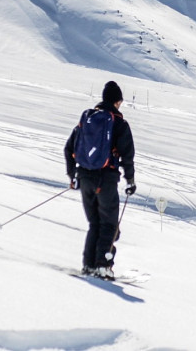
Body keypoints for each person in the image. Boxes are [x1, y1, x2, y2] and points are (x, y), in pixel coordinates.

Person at [64, 81, 136, 278]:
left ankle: (89, 265)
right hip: (105, 180)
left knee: (95, 224)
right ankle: (102, 265)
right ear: (117, 102)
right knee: (109, 225)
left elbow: (69, 148)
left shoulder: (87, 120)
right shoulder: (119, 124)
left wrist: (73, 176)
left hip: (85, 178)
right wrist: (130, 180)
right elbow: (127, 155)